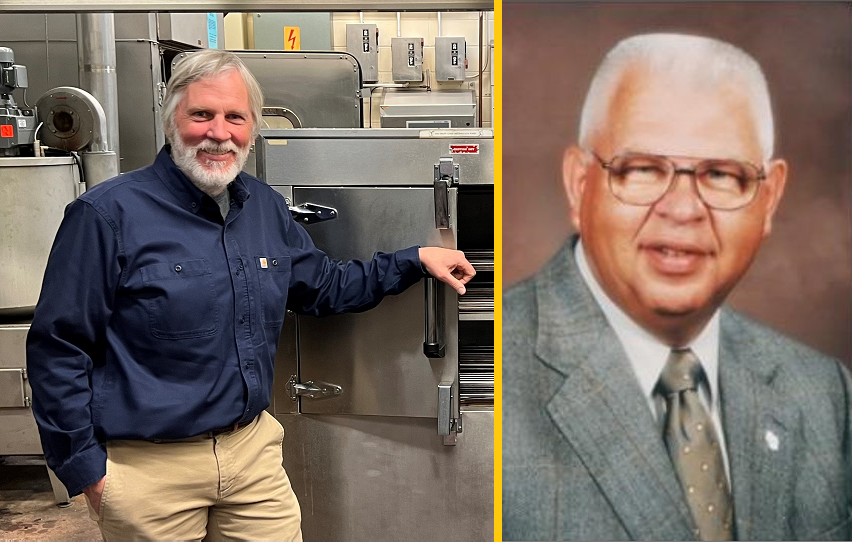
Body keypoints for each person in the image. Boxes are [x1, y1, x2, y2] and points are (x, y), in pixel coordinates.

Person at [26, 49, 475, 540]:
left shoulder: (262, 207)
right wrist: (86, 469)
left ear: (252, 127)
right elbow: (58, 348)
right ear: (171, 120)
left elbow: (325, 287)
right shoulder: (106, 215)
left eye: (235, 117)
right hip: (148, 470)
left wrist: (414, 260)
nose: (219, 132)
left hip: (252, 458)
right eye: (202, 114)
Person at [503, 33, 851, 541]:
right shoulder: (475, 384)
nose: (683, 209)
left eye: (721, 175)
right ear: (580, 185)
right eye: (642, 169)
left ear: (769, 198)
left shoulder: (826, 397)